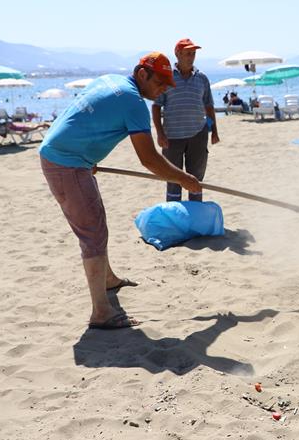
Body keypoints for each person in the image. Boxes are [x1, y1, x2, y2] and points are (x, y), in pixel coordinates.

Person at [39, 52, 201, 330]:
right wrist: (184, 178)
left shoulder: (110, 80)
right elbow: (149, 159)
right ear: (142, 74)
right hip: (67, 163)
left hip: (67, 157)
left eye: (167, 84)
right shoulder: (134, 103)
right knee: (92, 233)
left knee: (97, 223)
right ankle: (100, 312)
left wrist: (88, 157)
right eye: (160, 82)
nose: (163, 89)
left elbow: (80, 117)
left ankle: (108, 279)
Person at [152, 38, 219, 202]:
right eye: (188, 53)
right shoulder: (167, 78)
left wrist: (214, 131)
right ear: (178, 54)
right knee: (173, 179)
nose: (191, 56)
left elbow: (209, 105)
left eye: (193, 53)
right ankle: (175, 218)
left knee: (195, 180)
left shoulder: (202, 78)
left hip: (198, 135)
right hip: (172, 138)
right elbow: (156, 107)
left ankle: (195, 218)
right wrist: (160, 134)